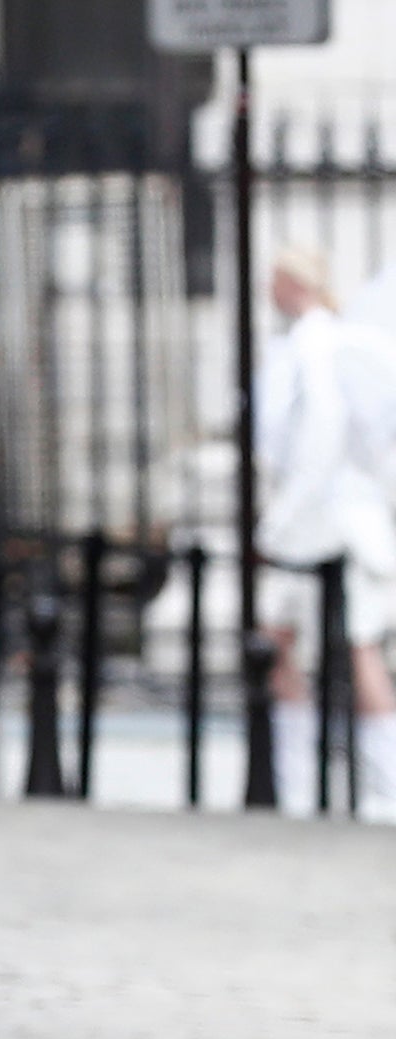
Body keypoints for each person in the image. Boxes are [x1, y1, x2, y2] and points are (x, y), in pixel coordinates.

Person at [257, 246, 396, 820]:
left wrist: (280, 520)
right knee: (285, 643)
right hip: (318, 522)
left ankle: (375, 781)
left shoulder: (321, 347)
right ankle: (300, 779)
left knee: (354, 648)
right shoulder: (309, 343)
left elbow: (321, 439)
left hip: (325, 526)